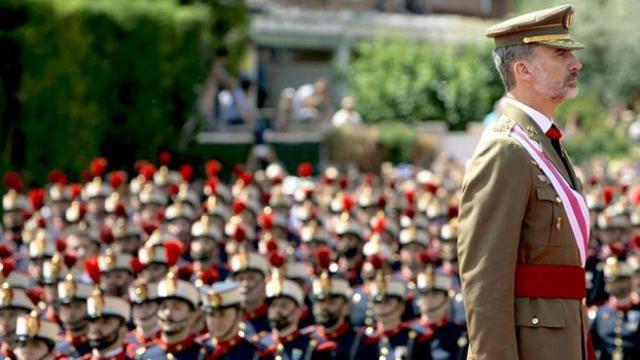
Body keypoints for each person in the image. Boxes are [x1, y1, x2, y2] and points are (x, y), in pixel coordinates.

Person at [458, 4, 592, 359]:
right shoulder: (507, 149)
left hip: (561, 338)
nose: (575, 63)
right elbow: (485, 279)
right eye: (560, 54)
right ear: (523, 69)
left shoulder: (544, 143)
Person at [199, 281, 260, 359]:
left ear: (239, 315)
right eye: (211, 314)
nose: (216, 321)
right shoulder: (198, 350)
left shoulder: (252, 354)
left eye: (223, 314)